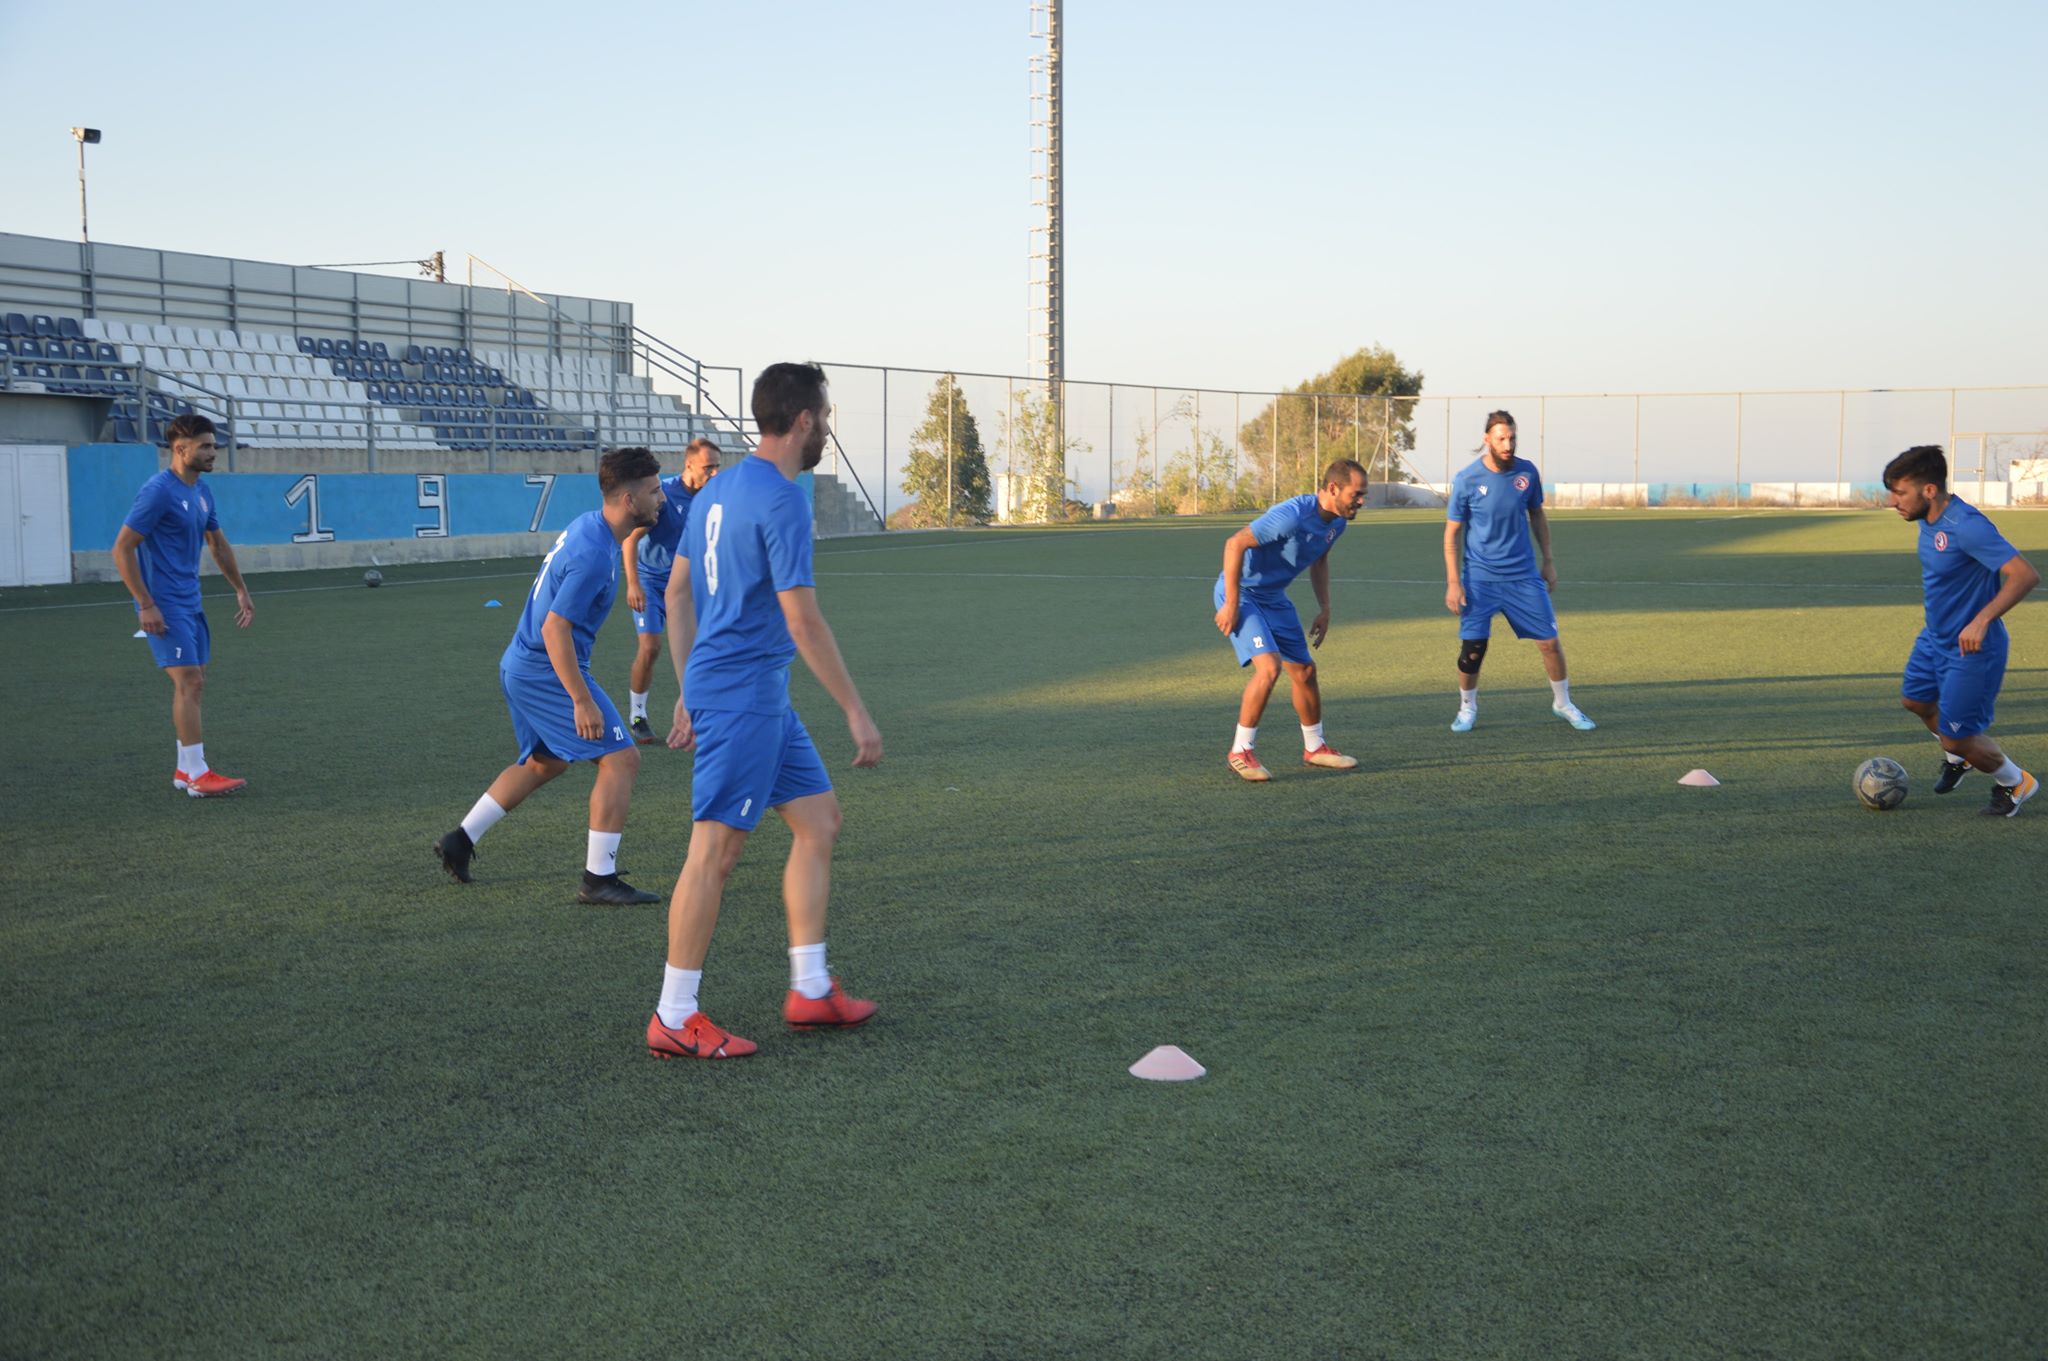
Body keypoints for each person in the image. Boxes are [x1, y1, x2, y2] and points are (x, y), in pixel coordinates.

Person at [646, 363, 882, 1060]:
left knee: (819, 821)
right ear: (804, 419)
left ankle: (810, 987)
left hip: (751, 695)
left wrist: (688, 686)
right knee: (714, 853)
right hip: (744, 698)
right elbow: (803, 621)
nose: (827, 429)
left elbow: (678, 594)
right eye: (825, 417)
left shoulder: (717, 489)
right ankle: (674, 1015)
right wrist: (855, 711)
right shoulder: (783, 500)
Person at [434, 446, 669, 903]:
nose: (661, 498)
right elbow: (555, 628)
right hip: (545, 668)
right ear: (628, 500)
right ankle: (599, 880)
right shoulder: (595, 554)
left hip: (521, 664)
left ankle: (459, 840)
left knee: (546, 762)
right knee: (622, 759)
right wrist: (581, 699)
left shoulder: (590, 526)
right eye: (654, 491)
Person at [1884, 444, 2039, 816]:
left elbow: (2024, 575)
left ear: (1929, 490)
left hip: (1972, 649)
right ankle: (1961, 756)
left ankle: (2015, 781)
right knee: (1916, 701)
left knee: (1957, 736)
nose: (1892, 502)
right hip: (1934, 638)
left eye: (1900, 492)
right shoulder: (1927, 519)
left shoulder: (1967, 526)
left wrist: (1981, 620)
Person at [111, 413, 254, 797]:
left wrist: (240, 589)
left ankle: (184, 768)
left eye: (213, 445)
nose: (213, 452)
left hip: (191, 601)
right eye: (204, 446)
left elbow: (217, 544)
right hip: (164, 604)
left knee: (195, 682)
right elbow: (122, 549)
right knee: (190, 680)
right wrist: (146, 604)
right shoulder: (158, 491)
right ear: (180, 449)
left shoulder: (202, 491)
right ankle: (198, 774)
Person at [1213, 459, 1369, 781]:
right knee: (1269, 668)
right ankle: (1240, 751)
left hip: (1273, 597)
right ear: (1333, 488)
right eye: (1356, 494)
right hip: (1242, 593)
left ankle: (1315, 747)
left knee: (1305, 671)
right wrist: (1231, 603)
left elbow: (1319, 559)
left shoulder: (1338, 522)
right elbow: (1234, 543)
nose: (1361, 501)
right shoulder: (1292, 515)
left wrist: (1325, 607)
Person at [1442, 410, 1594, 733]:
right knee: (1473, 650)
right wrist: (1454, 582)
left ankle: (1563, 703)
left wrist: (1548, 560)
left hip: (1523, 577)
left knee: (1550, 643)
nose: (1508, 444)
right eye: (1501, 438)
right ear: (1487, 440)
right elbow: (1451, 533)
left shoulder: (1527, 472)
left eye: (1512, 438)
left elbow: (1537, 515)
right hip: (1480, 579)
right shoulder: (1467, 479)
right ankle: (1467, 708)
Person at [620, 438, 722, 744]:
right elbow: (630, 540)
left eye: (717, 466)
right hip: (651, 582)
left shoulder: (713, 497)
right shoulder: (662, 495)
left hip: (688, 586)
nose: (715, 473)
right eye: (708, 467)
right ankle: (638, 715)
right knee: (650, 647)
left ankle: (698, 713)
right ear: (689, 464)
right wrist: (634, 583)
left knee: (704, 649)